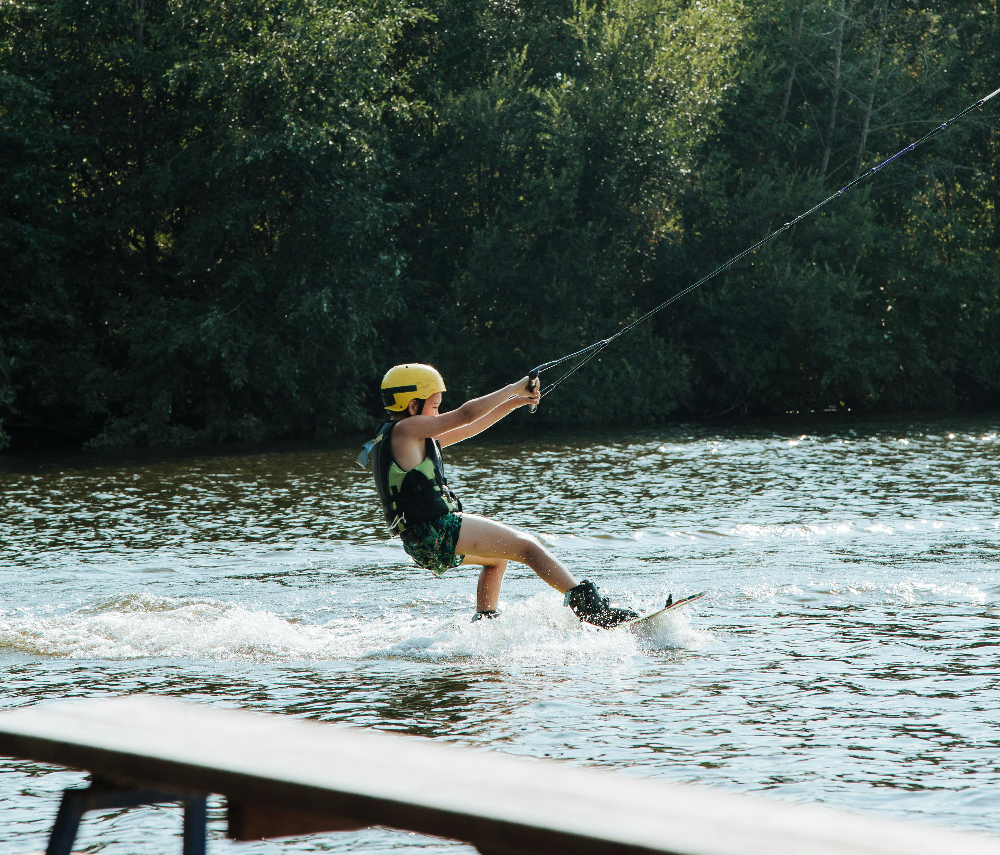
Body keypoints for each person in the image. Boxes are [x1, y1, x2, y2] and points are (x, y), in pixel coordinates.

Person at [359, 363, 637, 627]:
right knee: (528, 547)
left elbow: (470, 427)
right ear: (412, 405)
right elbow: (465, 414)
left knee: (497, 558)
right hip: (436, 529)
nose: (438, 414)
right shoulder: (407, 429)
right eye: (435, 407)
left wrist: (516, 402)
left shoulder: (403, 437)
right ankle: (592, 610)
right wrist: (515, 387)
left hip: (420, 539)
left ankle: (486, 624)